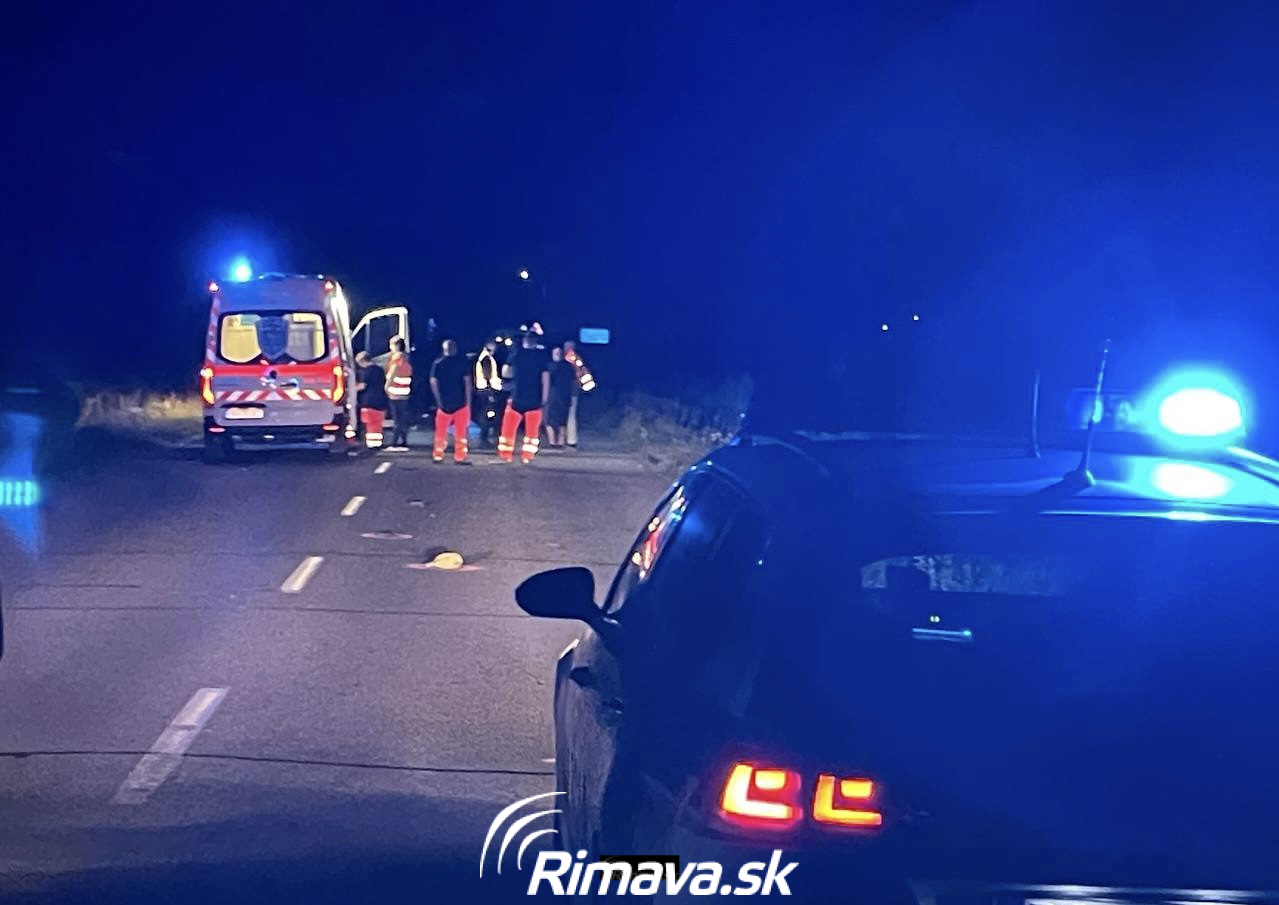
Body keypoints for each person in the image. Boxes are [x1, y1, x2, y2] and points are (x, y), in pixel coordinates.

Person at [499, 329, 550, 463]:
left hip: (516, 397)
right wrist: (544, 398)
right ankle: (527, 456)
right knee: (532, 431)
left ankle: (505, 455)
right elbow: (545, 378)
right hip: (535, 398)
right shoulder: (541, 357)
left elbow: (506, 372)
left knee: (508, 429)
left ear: (524, 342)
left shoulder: (516, 354)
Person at [429, 339, 472, 464]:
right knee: (461, 432)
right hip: (460, 403)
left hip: (444, 404)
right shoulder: (462, 363)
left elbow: (433, 383)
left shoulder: (438, 364)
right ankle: (460, 456)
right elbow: (467, 383)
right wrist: (468, 402)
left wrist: (438, 400)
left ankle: (438, 455)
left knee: (440, 431)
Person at [562, 340, 596, 448]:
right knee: (571, 414)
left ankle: (569, 440)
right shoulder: (578, 359)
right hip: (574, 390)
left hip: (569, 390)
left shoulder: (569, 358)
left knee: (569, 415)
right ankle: (569, 439)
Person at [384, 336, 414, 450]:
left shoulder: (396, 359)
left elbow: (391, 374)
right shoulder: (407, 358)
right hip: (405, 392)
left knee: (396, 419)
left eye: (391, 345)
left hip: (395, 393)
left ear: (396, 346)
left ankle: (395, 441)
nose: (390, 347)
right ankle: (403, 440)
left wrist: (386, 387)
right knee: (402, 418)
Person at [472, 339, 503, 447]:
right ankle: (485, 438)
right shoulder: (486, 359)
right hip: (487, 390)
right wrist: (491, 392)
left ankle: (484, 438)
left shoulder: (481, 358)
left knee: (485, 414)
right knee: (488, 415)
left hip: (483, 390)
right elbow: (487, 374)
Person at [355, 351, 388, 450]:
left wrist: (351, 389)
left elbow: (362, 386)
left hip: (368, 402)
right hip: (381, 401)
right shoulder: (380, 370)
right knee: (378, 424)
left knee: (370, 425)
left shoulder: (365, 372)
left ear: (362, 361)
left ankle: (372, 445)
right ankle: (377, 443)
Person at [544, 346, 574, 448]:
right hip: (564, 395)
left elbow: (546, 381)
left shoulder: (549, 366)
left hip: (552, 395)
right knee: (562, 420)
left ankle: (552, 442)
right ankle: (560, 442)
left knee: (549, 420)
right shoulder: (569, 367)